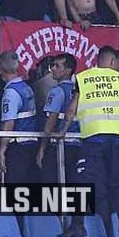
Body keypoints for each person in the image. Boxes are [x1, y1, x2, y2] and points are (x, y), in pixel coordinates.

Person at [58, 46, 119, 237]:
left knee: (81, 181)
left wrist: (63, 131)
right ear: (113, 62)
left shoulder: (84, 77)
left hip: (94, 139)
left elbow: (72, 108)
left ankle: (77, 225)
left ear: (99, 60)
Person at [0, 50, 40, 185]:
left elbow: (9, 123)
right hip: (31, 142)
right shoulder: (26, 87)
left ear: (1, 67)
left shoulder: (11, 92)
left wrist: (2, 151)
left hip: (18, 145)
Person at [36, 54, 79, 184]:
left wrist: (42, 148)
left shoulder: (57, 91)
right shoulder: (79, 91)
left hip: (60, 146)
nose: (52, 69)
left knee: (53, 187)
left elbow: (51, 121)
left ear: (68, 70)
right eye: (52, 65)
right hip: (78, 145)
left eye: (57, 66)